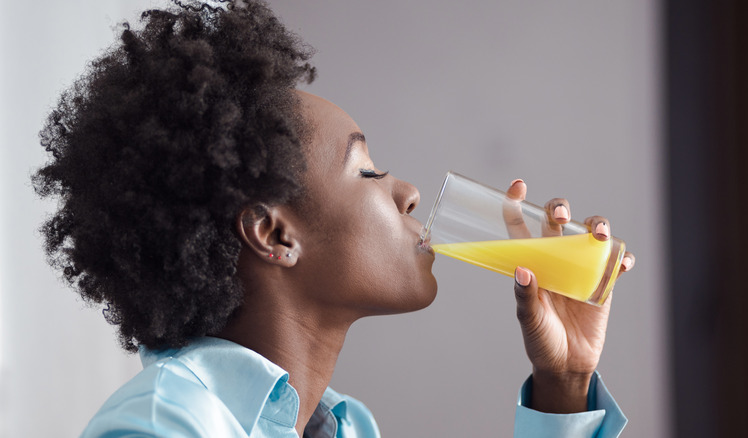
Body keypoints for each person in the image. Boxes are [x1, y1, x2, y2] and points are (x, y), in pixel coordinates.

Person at [32, 1, 635, 436]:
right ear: (274, 234)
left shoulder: (344, 428)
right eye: (367, 171)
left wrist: (563, 385)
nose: (409, 192)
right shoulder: (162, 425)